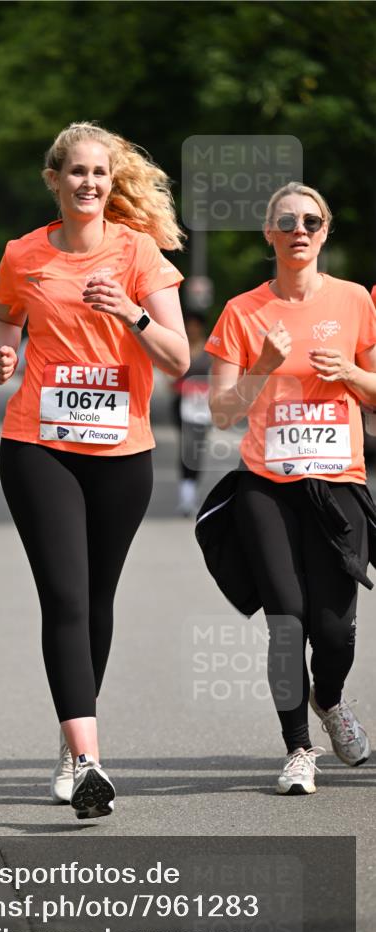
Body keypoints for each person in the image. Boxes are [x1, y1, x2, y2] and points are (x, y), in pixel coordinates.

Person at [0, 122, 189, 819]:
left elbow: (177, 359)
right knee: (66, 598)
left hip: (121, 455)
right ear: (53, 178)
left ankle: (70, 749)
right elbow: (1, 316)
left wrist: (130, 311)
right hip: (37, 446)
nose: (88, 184)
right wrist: (0, 356)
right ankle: (90, 760)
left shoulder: (139, 254)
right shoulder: (23, 254)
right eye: (75, 172)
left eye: (99, 174)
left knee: (97, 602)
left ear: (112, 182)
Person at [204, 181, 376, 795]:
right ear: (269, 235)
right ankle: (298, 749)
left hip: (338, 485)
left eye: (311, 220)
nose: (299, 229)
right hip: (266, 487)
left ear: (324, 231)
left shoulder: (357, 301)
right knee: (286, 620)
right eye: (287, 221)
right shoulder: (242, 312)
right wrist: (262, 369)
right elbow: (223, 411)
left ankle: (328, 701)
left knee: (332, 630)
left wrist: (353, 372)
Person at [170, 311, 212, 515]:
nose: (193, 329)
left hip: (204, 406)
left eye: (196, 326)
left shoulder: (210, 350)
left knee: (197, 447)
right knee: (186, 445)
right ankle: (185, 492)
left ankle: (192, 489)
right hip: (182, 404)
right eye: (190, 325)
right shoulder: (181, 347)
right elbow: (171, 372)